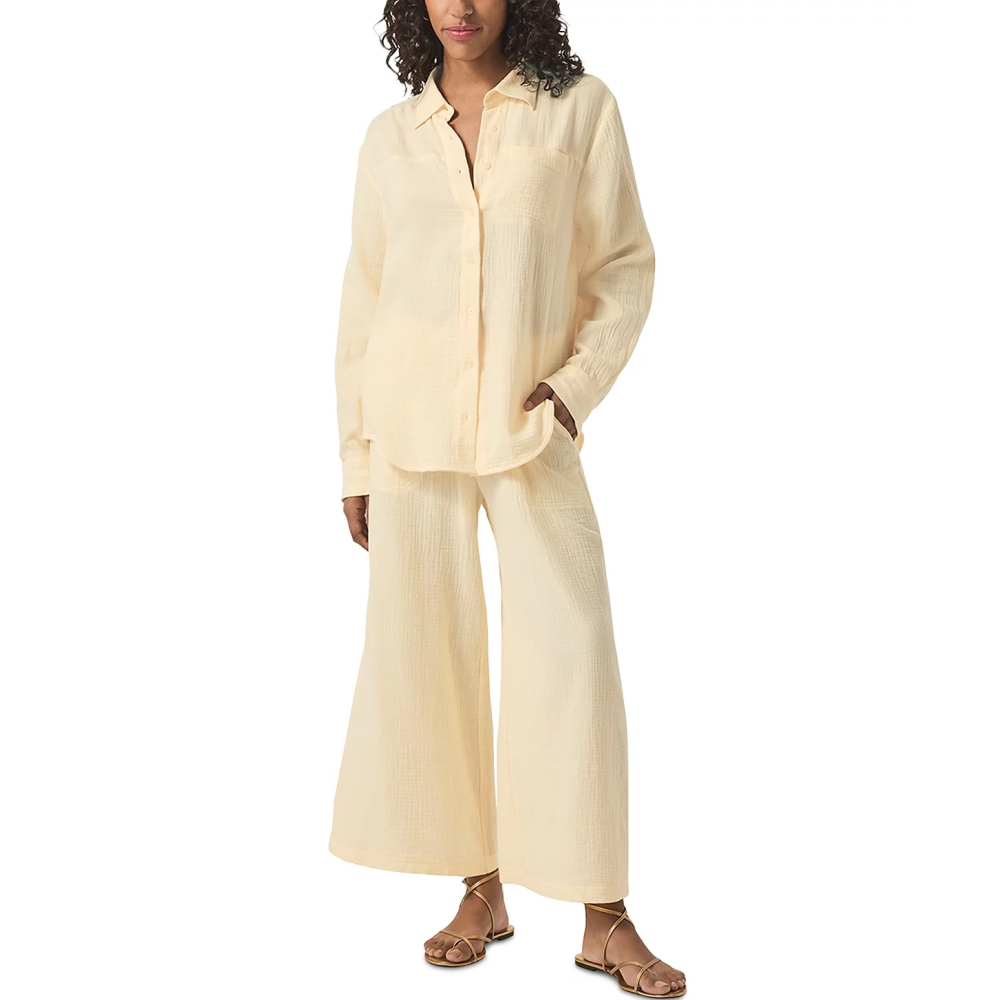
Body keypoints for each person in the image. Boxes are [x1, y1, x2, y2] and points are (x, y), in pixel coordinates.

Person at [328, 2, 686, 996]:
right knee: (430, 662)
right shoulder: (390, 138)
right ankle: (480, 893)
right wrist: (355, 459)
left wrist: (572, 390)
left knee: (571, 656)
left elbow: (624, 266)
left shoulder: (580, 110)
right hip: (409, 438)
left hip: (530, 430)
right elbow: (364, 303)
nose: (461, 7)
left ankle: (605, 916)